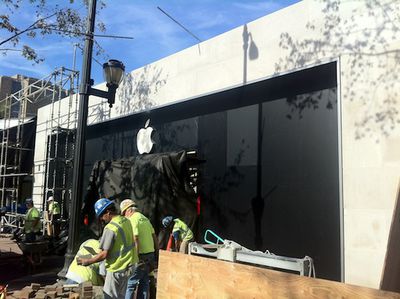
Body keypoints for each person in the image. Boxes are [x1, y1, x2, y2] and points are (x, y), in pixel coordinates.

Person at [77, 198, 138, 299]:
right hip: (130, 265)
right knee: (122, 296)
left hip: (117, 268)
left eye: (101, 215)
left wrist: (88, 261)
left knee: (109, 296)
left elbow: (104, 254)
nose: (101, 218)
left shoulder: (110, 228)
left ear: (108, 212)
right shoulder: (126, 220)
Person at [120, 199, 159, 299]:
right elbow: (154, 237)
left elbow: (135, 238)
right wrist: (156, 255)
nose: (124, 216)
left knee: (130, 283)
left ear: (129, 210)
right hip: (150, 256)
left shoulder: (132, 219)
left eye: (124, 213)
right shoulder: (145, 219)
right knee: (144, 282)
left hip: (140, 256)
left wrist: (135, 258)